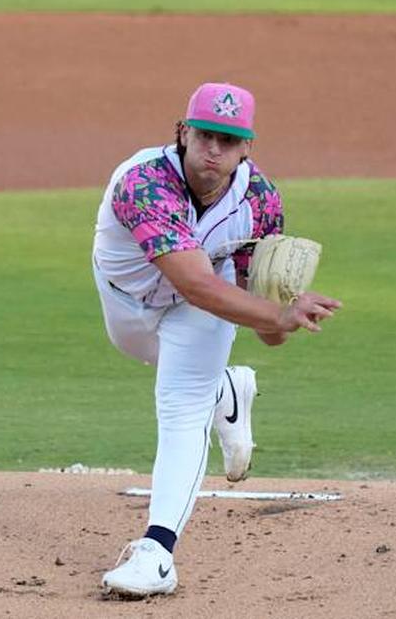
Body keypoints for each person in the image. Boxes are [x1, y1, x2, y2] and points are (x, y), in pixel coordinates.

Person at [91, 82, 342, 598]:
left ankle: (157, 554)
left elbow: (263, 327)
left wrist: (282, 314)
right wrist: (279, 312)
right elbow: (194, 282)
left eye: (229, 140)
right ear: (183, 132)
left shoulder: (261, 200)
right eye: (205, 135)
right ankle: (223, 389)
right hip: (127, 301)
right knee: (158, 361)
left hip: (200, 310)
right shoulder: (144, 182)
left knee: (182, 405)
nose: (214, 150)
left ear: (246, 146)